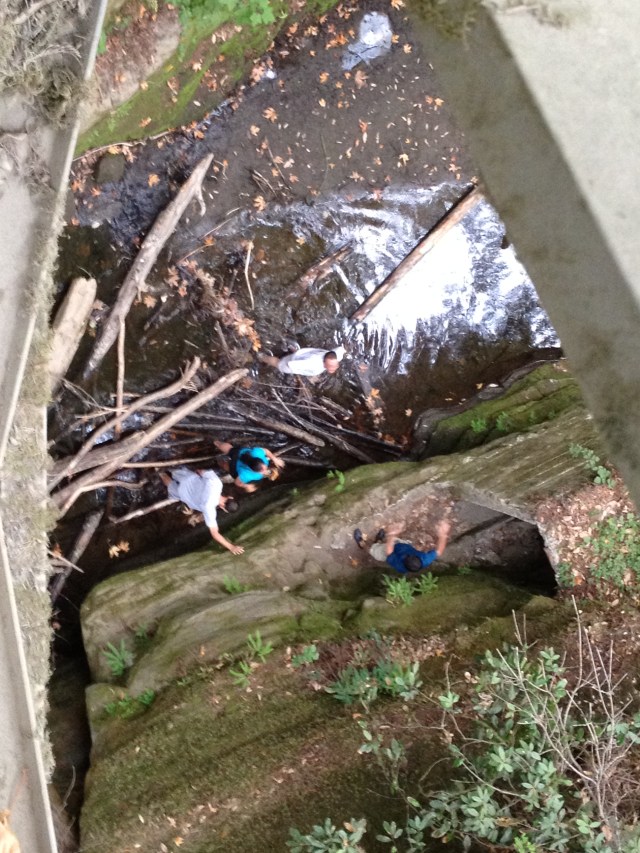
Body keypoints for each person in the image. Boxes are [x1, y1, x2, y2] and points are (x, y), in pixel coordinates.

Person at [159, 468, 244, 555]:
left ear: (230, 497)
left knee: (176, 469)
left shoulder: (217, 483)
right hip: (182, 493)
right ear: (223, 508)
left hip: (187, 478)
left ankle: (169, 467)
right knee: (172, 488)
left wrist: (197, 472)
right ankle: (161, 472)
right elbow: (215, 534)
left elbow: (201, 472)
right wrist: (231, 547)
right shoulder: (209, 509)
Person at [354, 518, 451, 574]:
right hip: (401, 546)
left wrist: (392, 534)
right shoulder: (424, 559)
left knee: (374, 550)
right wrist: (443, 534)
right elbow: (439, 551)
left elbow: (389, 551)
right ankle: (379, 540)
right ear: (417, 558)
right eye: (411, 556)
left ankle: (362, 544)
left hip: (388, 553)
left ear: (404, 562)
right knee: (391, 542)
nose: (408, 555)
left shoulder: (398, 564)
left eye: (407, 557)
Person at [213, 440, 285, 493]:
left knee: (230, 449)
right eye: (263, 470)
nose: (264, 471)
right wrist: (246, 486)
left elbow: (266, 451)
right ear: (253, 470)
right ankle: (219, 461)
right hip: (234, 466)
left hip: (240, 453)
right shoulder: (248, 475)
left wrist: (274, 459)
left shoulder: (256, 453)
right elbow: (237, 482)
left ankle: (216, 443)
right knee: (225, 466)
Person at [258, 345, 345, 377]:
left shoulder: (336, 355)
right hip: (293, 362)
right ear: (324, 362)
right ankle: (261, 357)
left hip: (306, 353)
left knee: (299, 354)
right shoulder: (312, 364)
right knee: (279, 364)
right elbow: (292, 364)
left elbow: (341, 349)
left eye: (334, 365)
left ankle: (293, 350)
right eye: (330, 366)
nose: (333, 369)